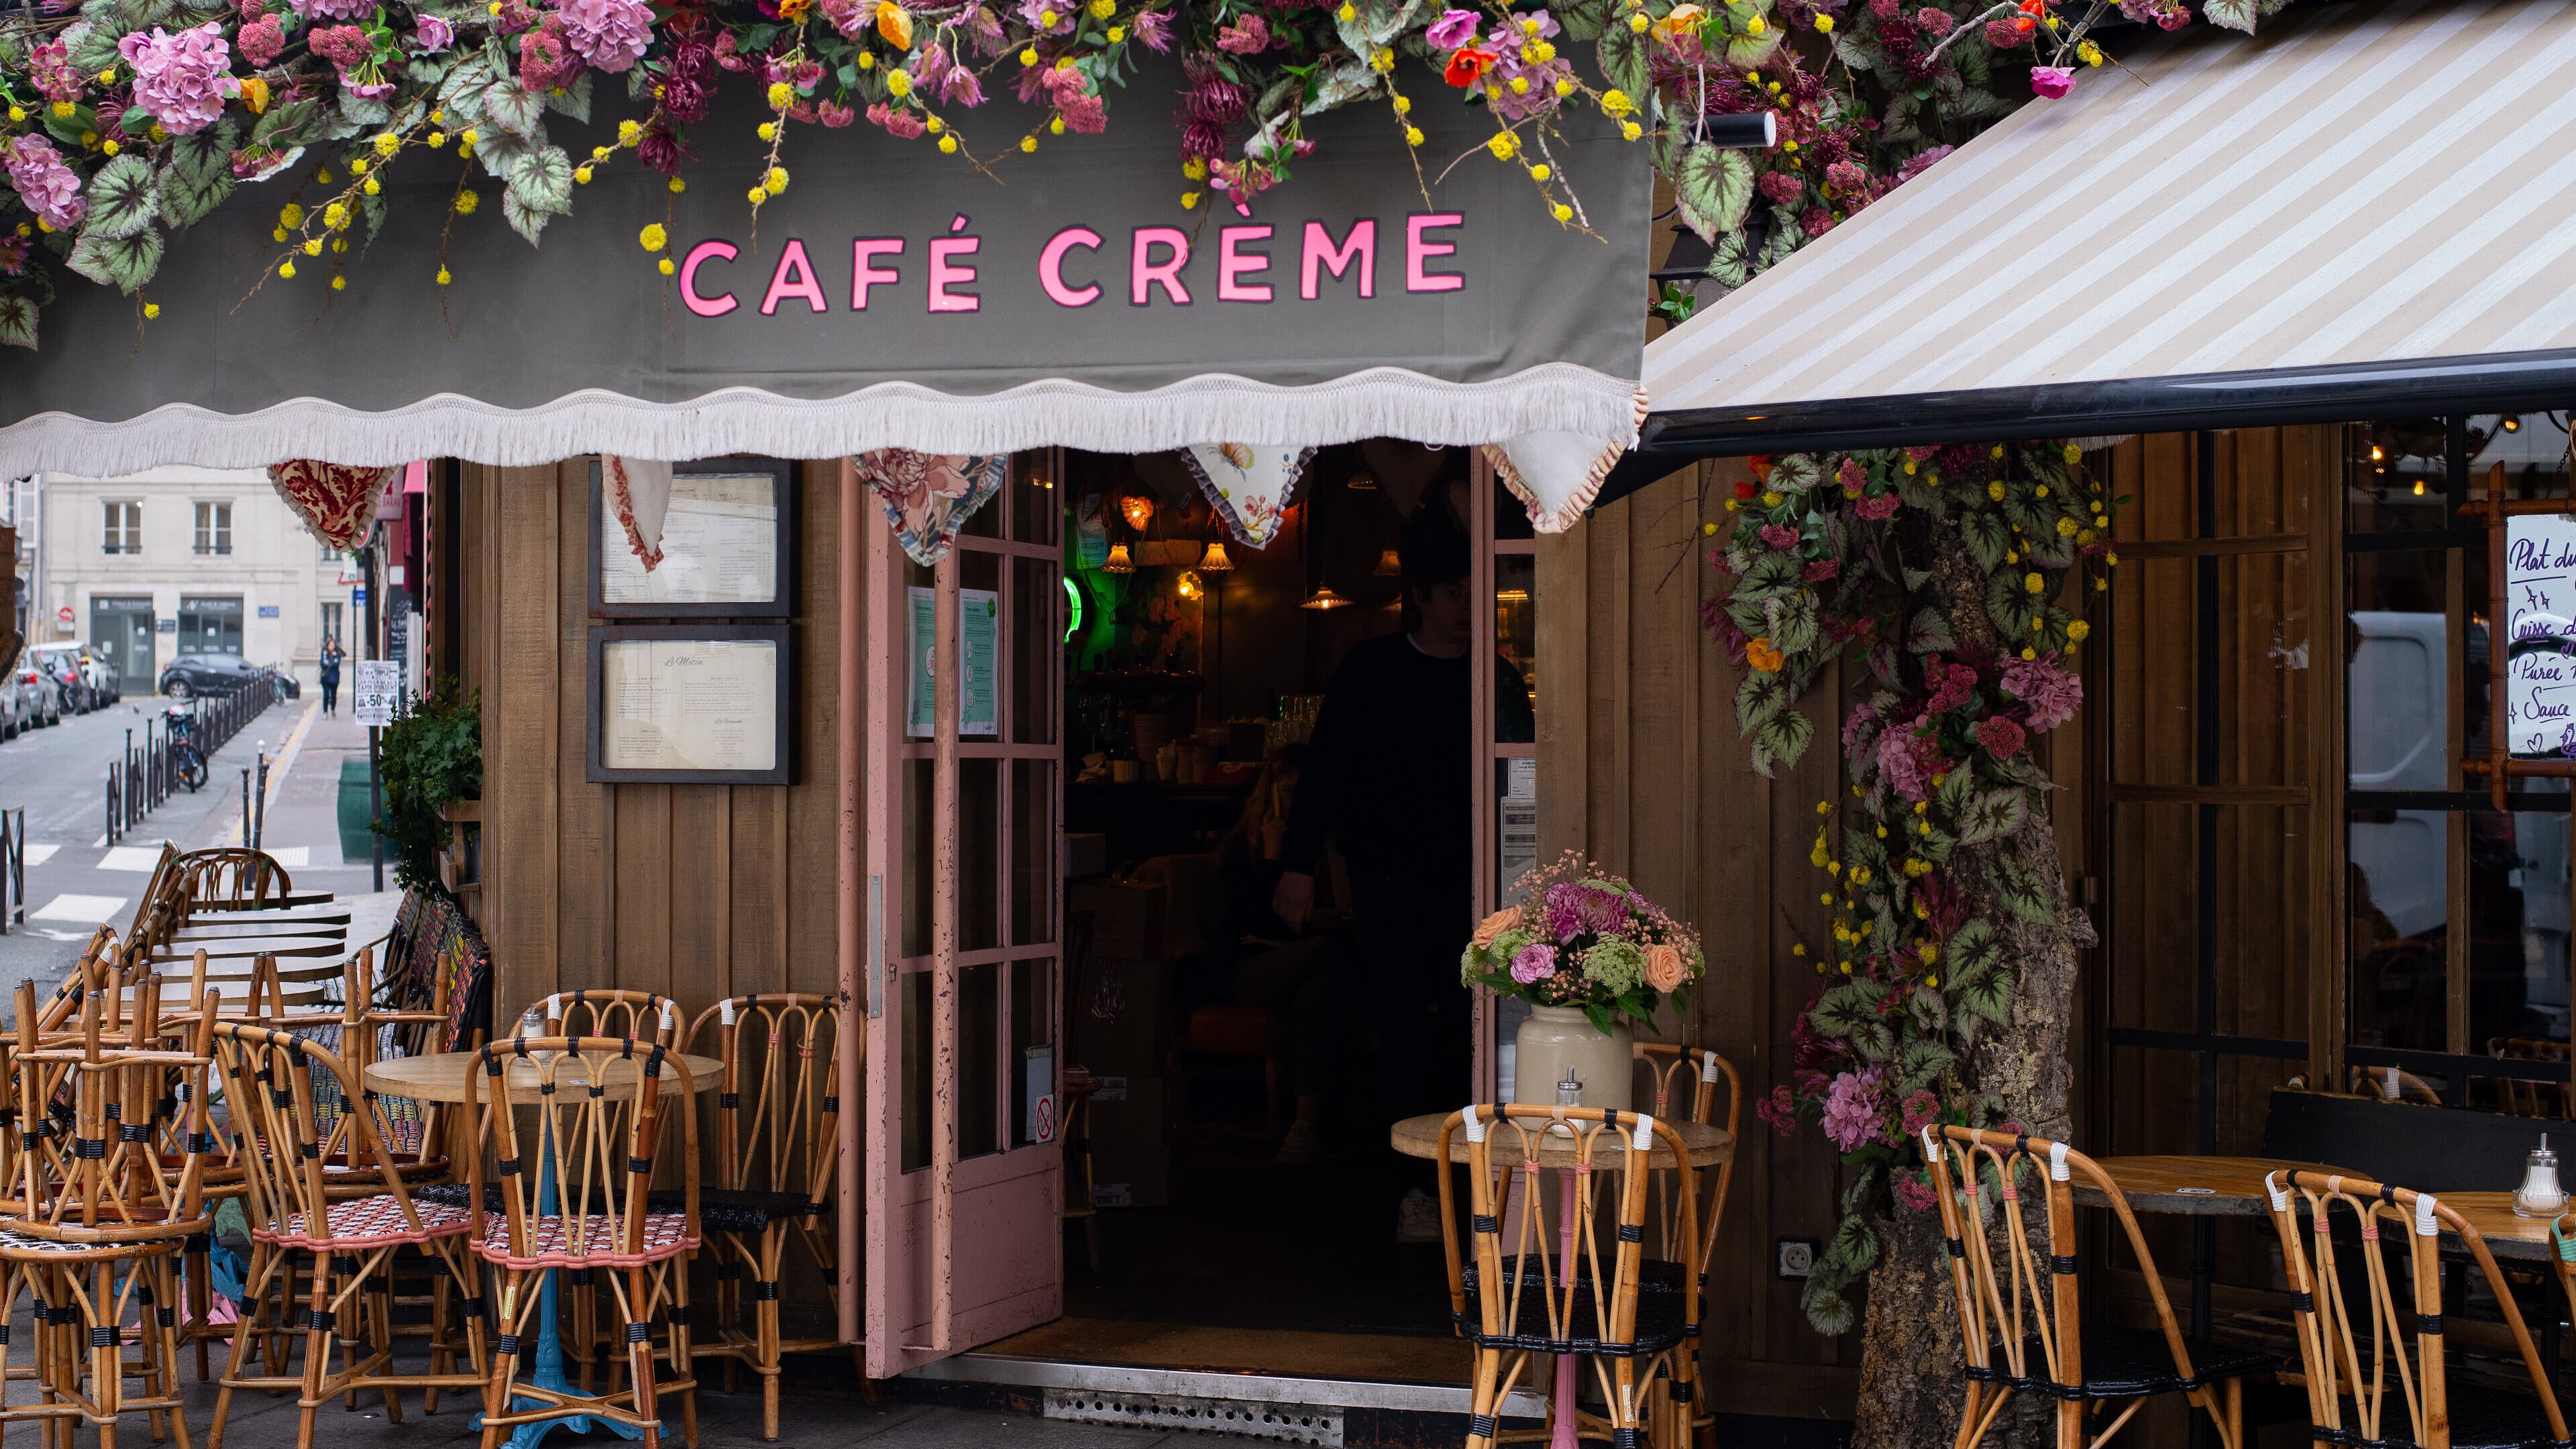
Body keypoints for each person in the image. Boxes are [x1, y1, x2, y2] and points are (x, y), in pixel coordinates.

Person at [1273, 500, 1532, 1240]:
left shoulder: (1499, 681)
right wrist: (1299, 868)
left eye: (1476, 595)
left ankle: (1472, 1189)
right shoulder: (1370, 672)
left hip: (1478, 886)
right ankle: (1415, 1190)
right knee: (1403, 1033)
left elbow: (1528, 782)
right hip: (1388, 885)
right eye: (1453, 594)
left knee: (1469, 1033)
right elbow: (1321, 776)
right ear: (1419, 596)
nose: (1467, 610)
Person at [317, 635, 343, 716]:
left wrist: (328, 663)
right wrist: (332, 663)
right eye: (330, 645)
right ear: (327, 646)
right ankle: (325, 711)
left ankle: (333, 709)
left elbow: (337, 663)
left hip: (335, 677)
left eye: (333, 645)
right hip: (326, 677)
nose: (332, 646)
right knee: (326, 695)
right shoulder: (324, 654)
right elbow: (322, 664)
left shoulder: (337, 654)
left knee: (334, 695)